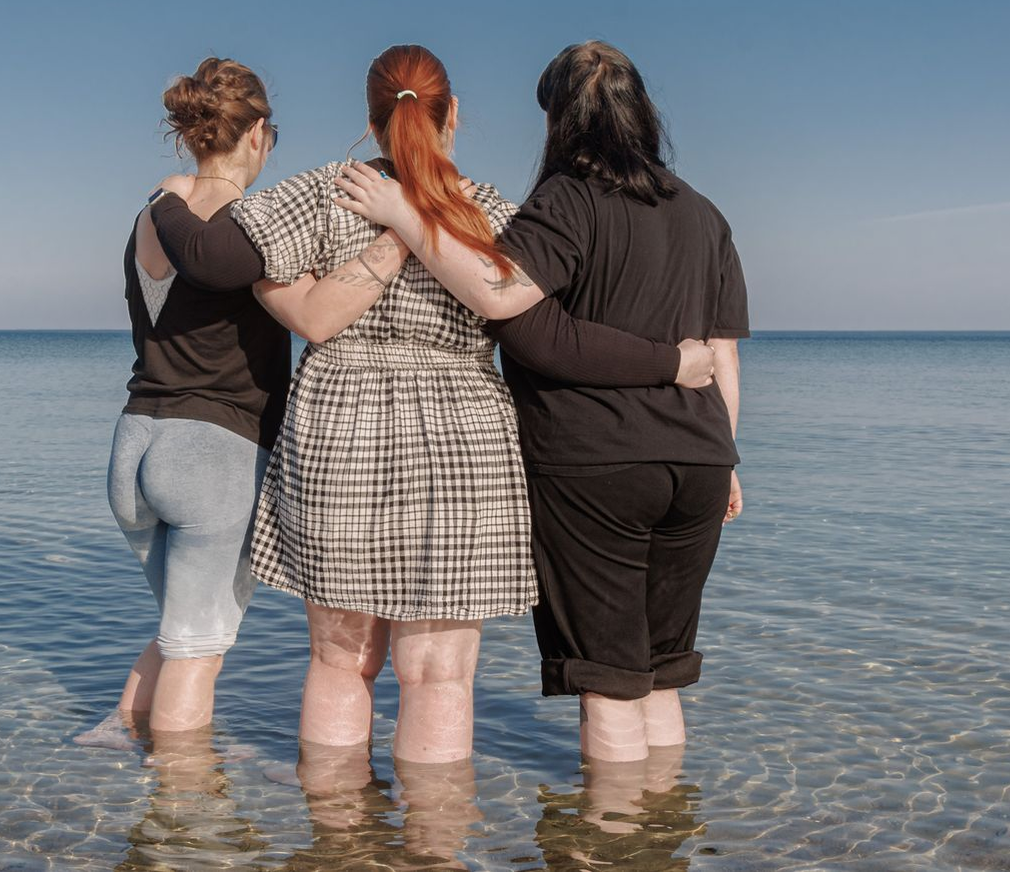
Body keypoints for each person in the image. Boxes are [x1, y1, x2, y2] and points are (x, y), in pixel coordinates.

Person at [150, 44, 718, 764]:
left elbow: (220, 257)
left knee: (339, 662)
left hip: (339, 430)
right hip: (464, 439)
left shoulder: (325, 190)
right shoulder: (497, 213)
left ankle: (336, 824)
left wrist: (194, 220)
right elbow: (555, 330)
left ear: (372, 121)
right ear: (453, 117)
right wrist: (674, 367)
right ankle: (439, 827)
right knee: (440, 676)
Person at [335, 40, 749, 763]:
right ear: (642, 111)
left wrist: (403, 214)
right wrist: (728, 458)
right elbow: (723, 356)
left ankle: (610, 827)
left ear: (559, 119)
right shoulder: (706, 214)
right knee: (661, 676)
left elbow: (503, 298)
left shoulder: (567, 199)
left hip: (597, 466)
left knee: (610, 682)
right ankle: (663, 821)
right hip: (702, 462)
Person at [103, 56, 413, 736]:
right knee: (199, 646)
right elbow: (317, 313)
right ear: (257, 133)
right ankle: (184, 782)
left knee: (181, 627)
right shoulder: (251, 227)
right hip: (212, 451)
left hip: (135, 443)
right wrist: (404, 235)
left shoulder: (154, 215)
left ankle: (116, 739)